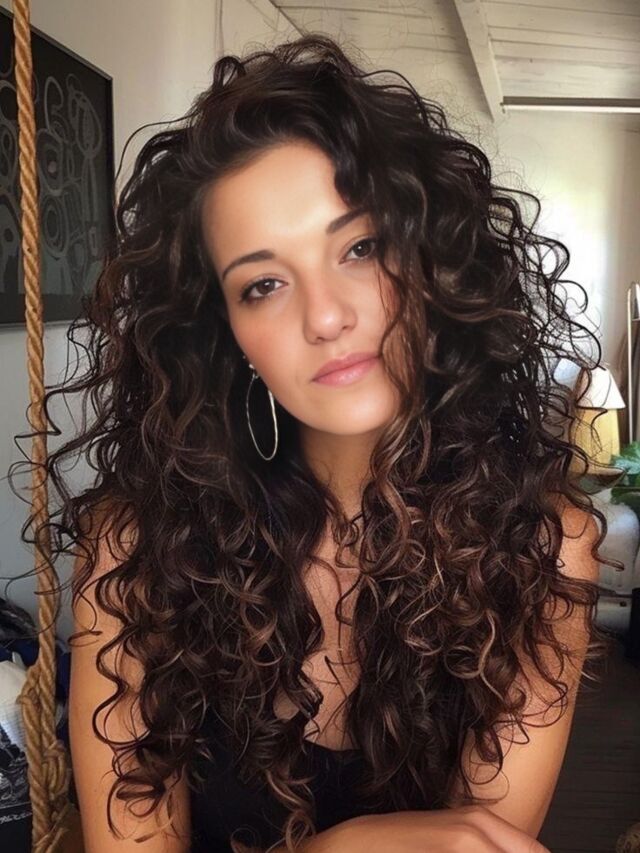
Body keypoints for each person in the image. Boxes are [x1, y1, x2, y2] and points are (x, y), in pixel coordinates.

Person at [16, 32, 612, 853]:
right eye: (263, 283)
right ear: (228, 334)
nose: (326, 316)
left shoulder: (543, 547)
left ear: (431, 260)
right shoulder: (137, 551)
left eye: (360, 247)